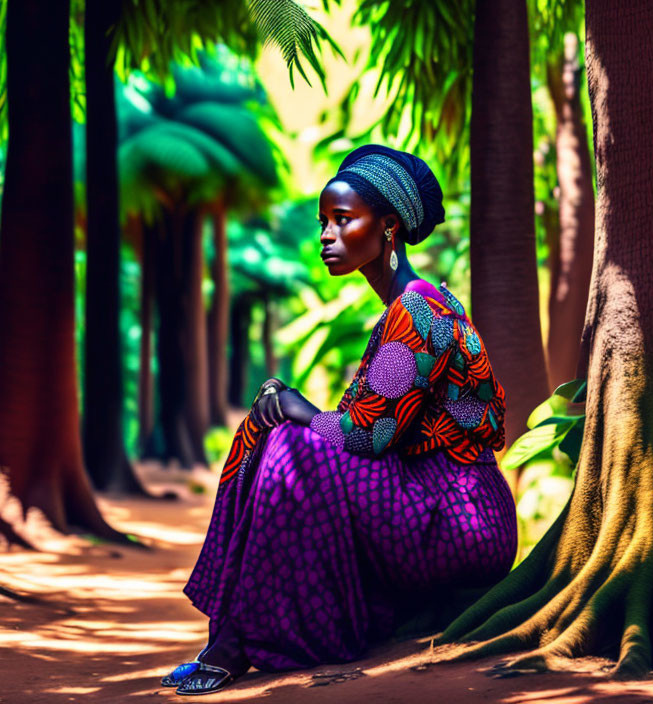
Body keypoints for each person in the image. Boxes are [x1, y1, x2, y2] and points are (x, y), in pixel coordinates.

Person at [163, 145, 518, 696]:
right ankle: (232, 638)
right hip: (434, 500)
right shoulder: (409, 306)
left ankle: (235, 645)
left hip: (459, 516)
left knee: (290, 445)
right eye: (323, 222)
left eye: (342, 220)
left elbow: (368, 434)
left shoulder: (418, 312)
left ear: (390, 227)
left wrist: (300, 408)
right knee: (280, 431)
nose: (325, 234)